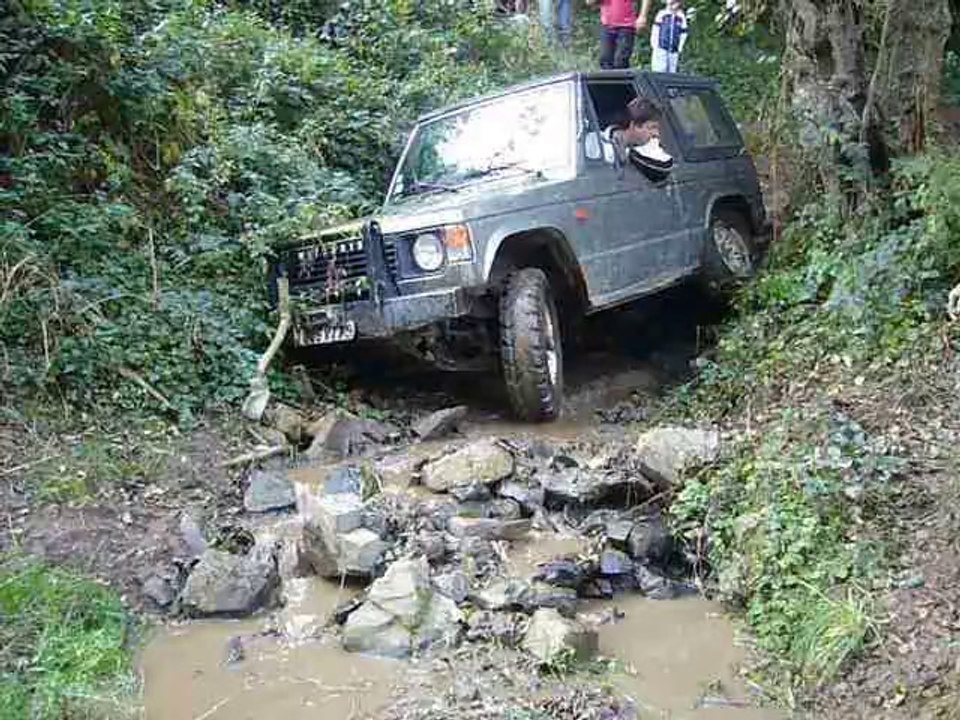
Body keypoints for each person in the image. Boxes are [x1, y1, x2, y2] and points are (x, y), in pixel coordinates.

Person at [601, 97, 674, 180]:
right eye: (652, 127)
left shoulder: (640, 151)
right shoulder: (596, 148)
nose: (656, 134)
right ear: (634, 125)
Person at [586, 0, 641, 69]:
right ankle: (607, 79)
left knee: (621, 60)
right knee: (605, 59)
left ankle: (622, 79)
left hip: (627, 26)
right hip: (607, 25)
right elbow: (589, 2)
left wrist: (643, 16)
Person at [650, 0, 688, 73]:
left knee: (672, 70)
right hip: (661, 47)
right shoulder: (662, 14)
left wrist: (680, 47)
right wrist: (655, 44)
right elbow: (656, 29)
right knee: (659, 69)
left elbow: (683, 33)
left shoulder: (681, 17)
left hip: (674, 49)